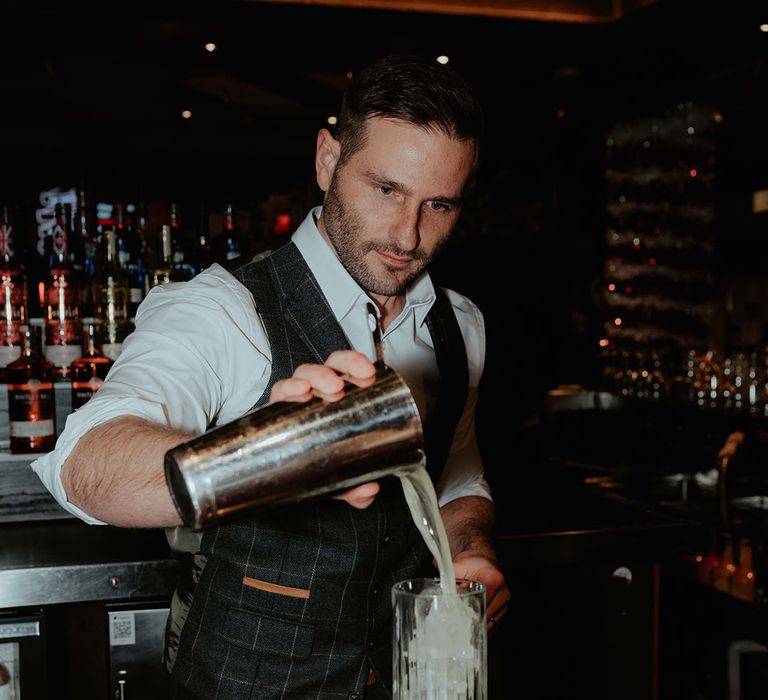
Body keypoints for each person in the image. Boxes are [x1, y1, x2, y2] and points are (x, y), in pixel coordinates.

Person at [32, 53, 511, 699]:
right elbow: (84, 465)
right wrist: (278, 456)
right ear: (326, 160)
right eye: (386, 189)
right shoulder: (220, 309)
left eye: (440, 205)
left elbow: (457, 477)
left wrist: (472, 547)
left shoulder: (462, 325)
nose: (407, 234)